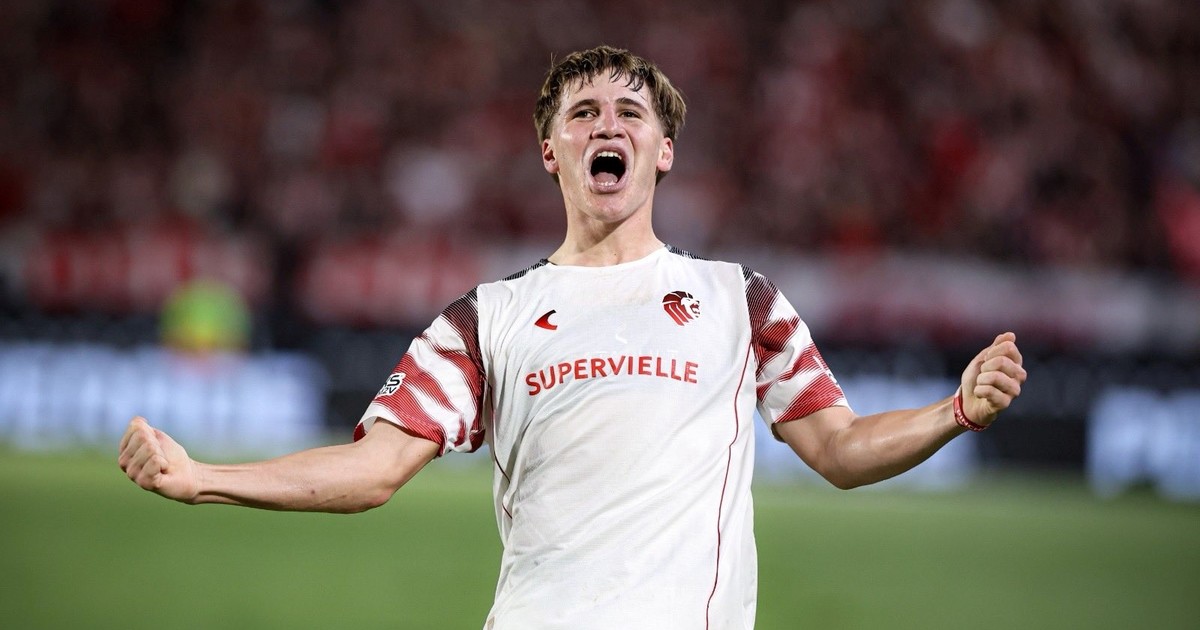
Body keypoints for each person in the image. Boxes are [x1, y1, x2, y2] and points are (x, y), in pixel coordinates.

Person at [119, 45, 1027, 630]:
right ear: (551, 152)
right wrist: (203, 478)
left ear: (663, 151)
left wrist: (955, 410)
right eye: (583, 114)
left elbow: (840, 449)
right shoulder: (486, 317)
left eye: (632, 113)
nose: (608, 125)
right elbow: (374, 470)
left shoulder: (739, 300)